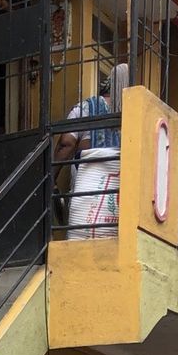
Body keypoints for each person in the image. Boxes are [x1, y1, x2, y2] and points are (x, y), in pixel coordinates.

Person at [54, 64, 128, 240]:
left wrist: (51, 177)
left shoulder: (87, 108)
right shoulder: (133, 117)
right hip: (121, 204)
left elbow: (67, 143)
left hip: (85, 199)